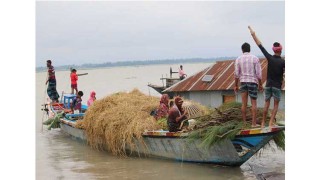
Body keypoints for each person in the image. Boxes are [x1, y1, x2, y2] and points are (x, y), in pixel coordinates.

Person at [248, 26, 285, 128]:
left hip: (268, 85)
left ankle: (263, 123)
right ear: (280, 50)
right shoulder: (283, 62)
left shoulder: (269, 57)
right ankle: (270, 122)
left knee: (266, 105)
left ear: (274, 50)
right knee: (276, 105)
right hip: (277, 86)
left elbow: (260, 45)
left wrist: (253, 34)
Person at [234, 42, 263, 128]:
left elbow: (236, 74)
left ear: (242, 50)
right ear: (249, 49)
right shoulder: (255, 58)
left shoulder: (238, 59)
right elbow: (258, 74)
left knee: (244, 104)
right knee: (253, 103)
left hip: (243, 82)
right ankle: (253, 124)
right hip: (253, 82)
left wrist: (235, 85)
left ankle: (244, 124)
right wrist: (260, 84)